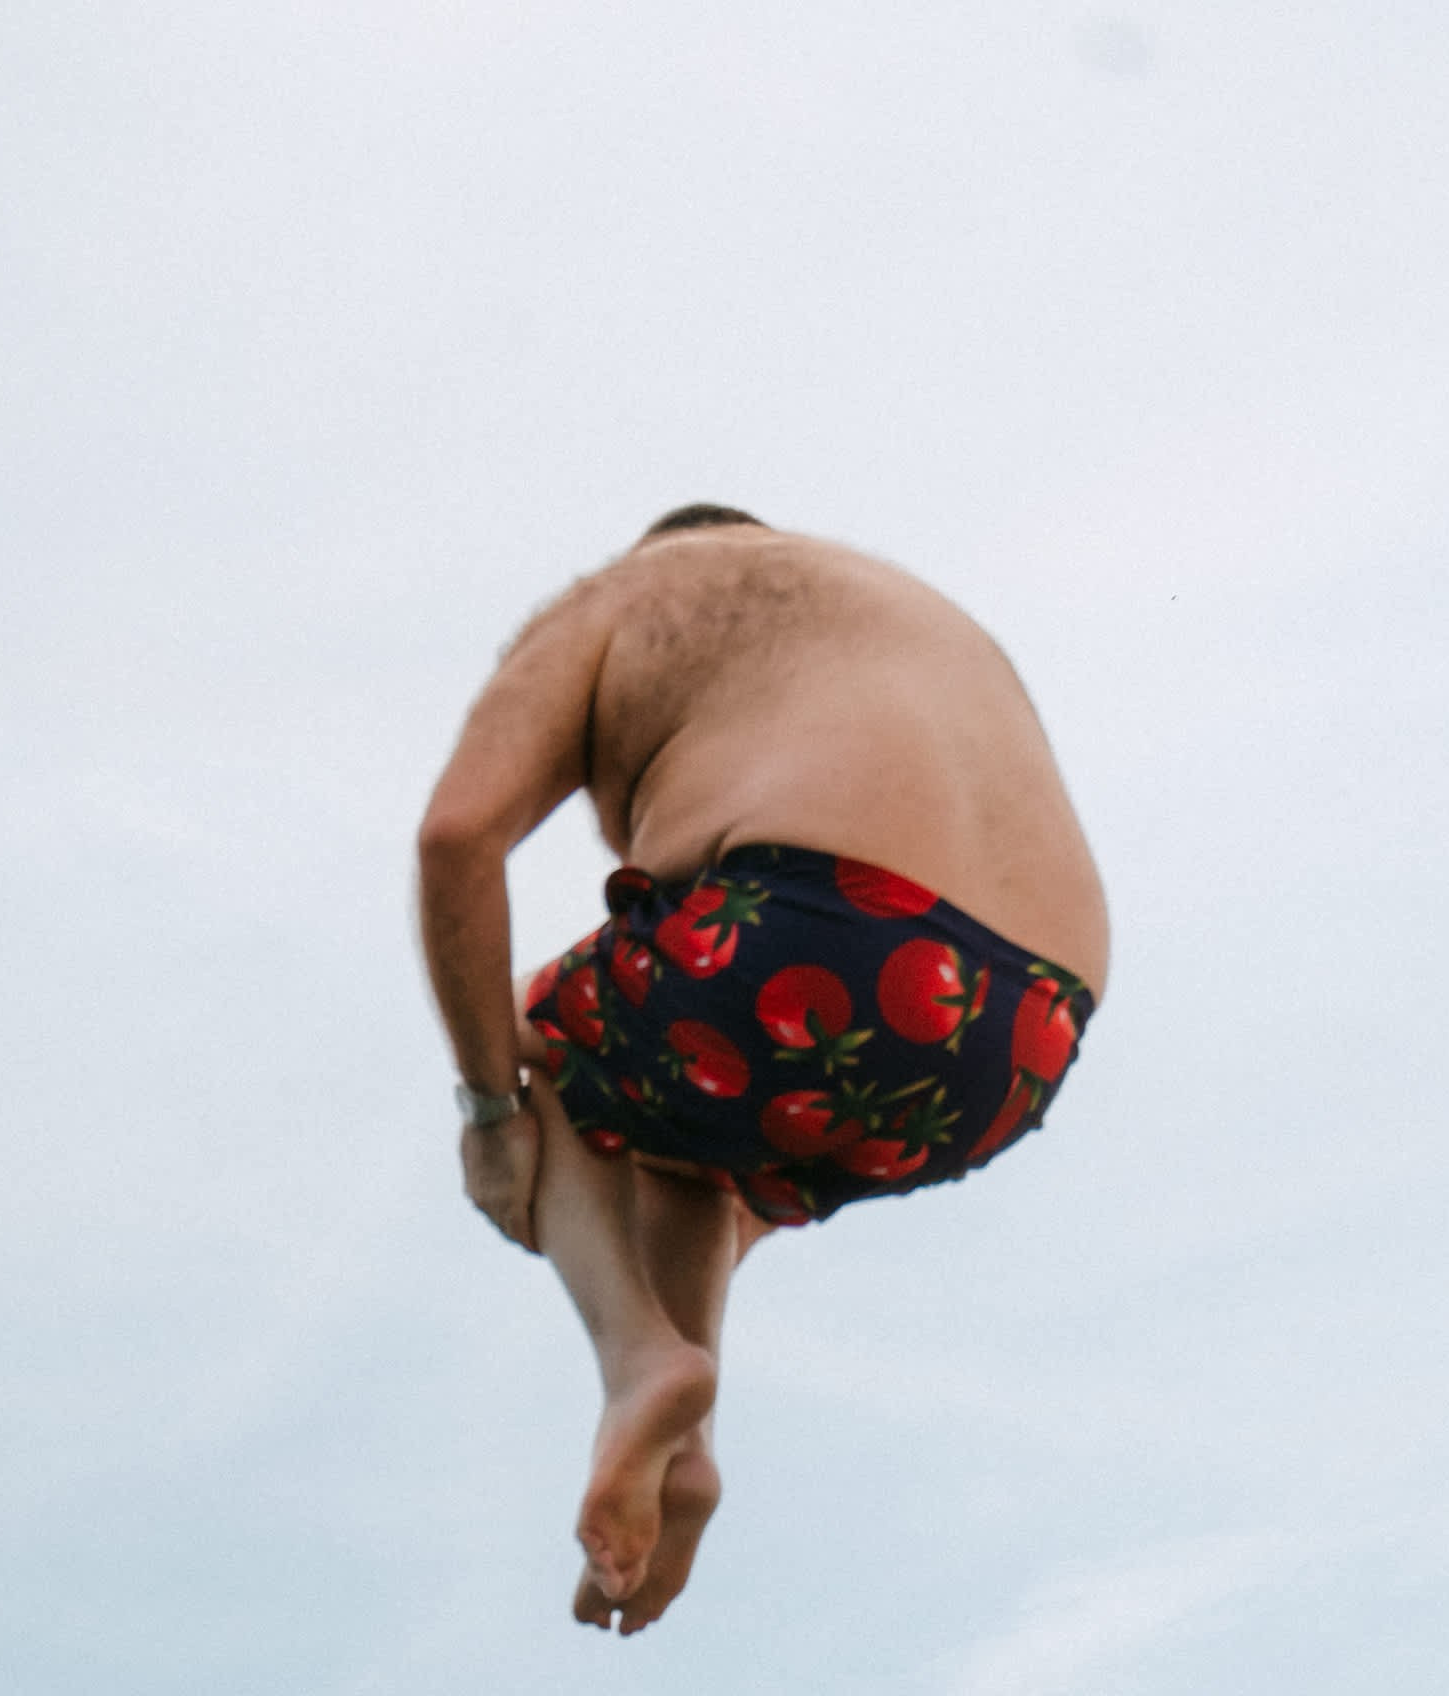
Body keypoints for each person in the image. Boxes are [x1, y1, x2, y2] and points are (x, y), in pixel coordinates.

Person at [415, 507, 1111, 1632]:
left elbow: (455, 837)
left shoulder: (620, 600)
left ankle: (637, 1361)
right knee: (675, 1125)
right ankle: (680, 1442)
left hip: (830, 932)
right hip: (1018, 1043)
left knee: (531, 1023)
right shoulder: (890, 617)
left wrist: (491, 1111)